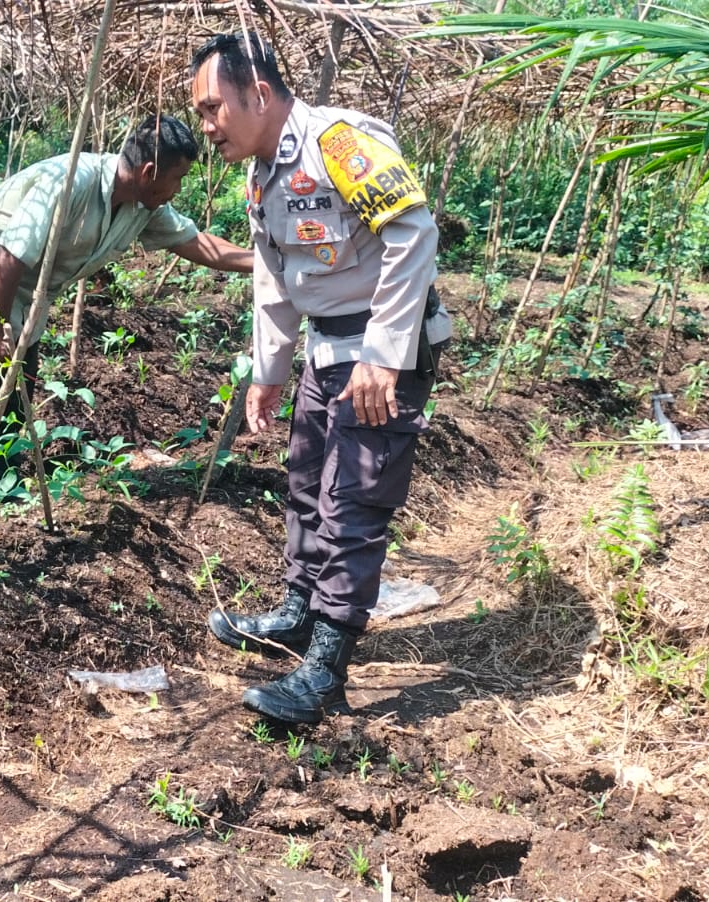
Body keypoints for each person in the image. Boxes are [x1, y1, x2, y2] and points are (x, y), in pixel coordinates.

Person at [189, 33, 451, 724]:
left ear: (260, 95)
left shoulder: (340, 145)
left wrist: (384, 354)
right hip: (326, 351)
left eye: (214, 109)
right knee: (305, 483)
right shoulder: (263, 173)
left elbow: (413, 233)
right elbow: (274, 274)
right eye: (201, 113)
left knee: (353, 504)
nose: (208, 126)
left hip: (378, 354)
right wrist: (269, 371)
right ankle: (300, 615)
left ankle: (328, 669)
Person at [0, 115, 253, 518]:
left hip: (33, 289)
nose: (178, 190)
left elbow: (199, 244)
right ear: (149, 172)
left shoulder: (143, 206)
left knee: (16, 387)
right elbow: (8, 256)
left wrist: (264, 263)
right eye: (178, 178)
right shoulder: (71, 182)